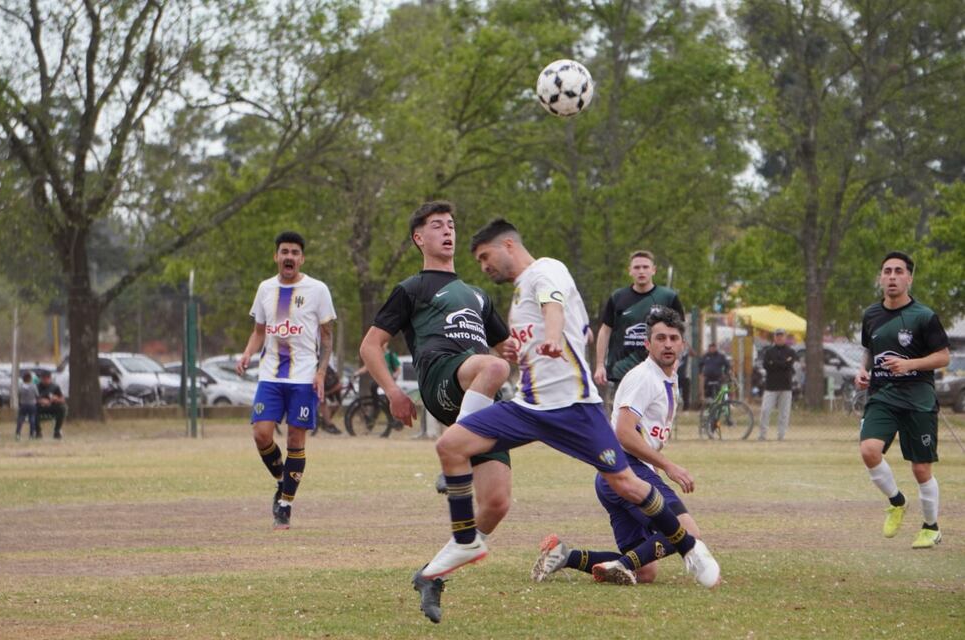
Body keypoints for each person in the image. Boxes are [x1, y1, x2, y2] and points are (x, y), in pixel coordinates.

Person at [412, 219, 718, 624]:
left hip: (575, 409)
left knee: (625, 482)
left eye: (485, 257)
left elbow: (553, 307)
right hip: (530, 408)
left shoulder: (546, 270)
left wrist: (555, 334)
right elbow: (570, 330)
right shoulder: (520, 291)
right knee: (449, 446)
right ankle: (467, 541)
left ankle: (690, 548)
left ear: (507, 245)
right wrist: (516, 348)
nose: (484, 266)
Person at [358, 202, 514, 591]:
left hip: (476, 393)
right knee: (492, 368)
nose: (448, 231)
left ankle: (433, 574)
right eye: (437, 225)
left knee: (496, 505)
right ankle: (452, 451)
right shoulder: (411, 289)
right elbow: (370, 346)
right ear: (419, 238)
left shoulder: (478, 295)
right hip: (441, 376)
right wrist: (394, 392)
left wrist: (535, 346)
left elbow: (507, 347)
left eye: (451, 225)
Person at [531, 307, 709, 586]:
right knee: (688, 533)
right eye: (660, 338)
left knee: (646, 572)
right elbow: (624, 433)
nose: (668, 344)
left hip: (612, 476)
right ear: (647, 344)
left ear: (683, 345)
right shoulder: (644, 378)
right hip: (629, 471)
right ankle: (621, 564)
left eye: (674, 338)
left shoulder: (668, 377)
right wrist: (668, 466)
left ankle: (564, 555)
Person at [236, 230, 336, 530]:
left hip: (303, 377)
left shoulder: (317, 289)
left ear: (301, 258)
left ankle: (285, 504)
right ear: (276, 256)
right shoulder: (266, 288)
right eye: (284, 252)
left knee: (295, 439)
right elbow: (258, 331)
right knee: (261, 434)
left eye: (294, 252)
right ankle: (283, 479)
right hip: (270, 375)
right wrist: (246, 354)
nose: (289, 257)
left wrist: (320, 372)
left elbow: (327, 337)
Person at [855, 251, 949, 549]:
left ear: (909, 278)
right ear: (880, 278)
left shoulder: (924, 316)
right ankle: (896, 502)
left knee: (921, 469)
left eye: (898, 271)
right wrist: (862, 370)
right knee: (869, 450)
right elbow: (869, 350)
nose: (892, 276)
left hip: (919, 400)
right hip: (882, 396)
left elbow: (943, 356)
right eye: (887, 271)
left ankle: (931, 527)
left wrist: (910, 364)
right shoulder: (871, 314)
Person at [594, 250, 684, 387]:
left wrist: (675, 363)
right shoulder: (618, 297)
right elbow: (605, 331)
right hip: (623, 371)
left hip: (658, 370)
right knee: (625, 408)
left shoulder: (668, 297)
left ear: (653, 270)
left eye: (645, 267)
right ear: (629, 271)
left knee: (658, 408)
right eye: (636, 267)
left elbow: (680, 333)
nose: (641, 271)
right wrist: (600, 365)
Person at [758, 329, 796, 441]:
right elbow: (766, 365)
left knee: (784, 413)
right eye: (777, 336)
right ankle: (762, 435)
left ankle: (781, 435)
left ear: (785, 337)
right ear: (774, 337)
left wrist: (775, 363)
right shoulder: (769, 351)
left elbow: (788, 365)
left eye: (781, 336)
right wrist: (781, 363)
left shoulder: (791, 351)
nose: (779, 338)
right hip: (771, 386)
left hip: (785, 386)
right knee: (765, 410)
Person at [36, 370, 67, 440]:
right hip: (40, 407)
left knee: (62, 408)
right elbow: (31, 399)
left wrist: (56, 399)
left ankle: (57, 431)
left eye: (46, 378)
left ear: (50, 378)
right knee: (33, 409)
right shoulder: (36, 387)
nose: (44, 380)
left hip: (52, 407)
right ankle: (38, 432)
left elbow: (63, 399)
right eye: (43, 378)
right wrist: (41, 401)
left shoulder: (55, 387)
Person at [15, 371, 38, 441]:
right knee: (32, 419)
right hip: (32, 404)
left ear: (23, 379)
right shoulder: (33, 386)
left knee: (21, 419)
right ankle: (32, 433)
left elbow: (18, 394)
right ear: (30, 379)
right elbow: (37, 395)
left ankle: (18, 433)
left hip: (23, 404)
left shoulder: (21, 386)